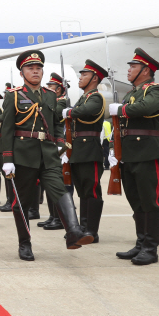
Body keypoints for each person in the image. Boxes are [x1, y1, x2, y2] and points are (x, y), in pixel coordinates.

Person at [1, 50, 93, 262]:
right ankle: (24, 243)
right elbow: (6, 130)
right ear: (22, 72)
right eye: (30, 68)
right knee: (22, 201)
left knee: (59, 190)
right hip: (23, 155)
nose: (35, 71)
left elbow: (57, 125)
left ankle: (73, 232)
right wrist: (7, 159)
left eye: (38, 68)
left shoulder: (50, 95)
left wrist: (61, 145)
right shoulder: (13, 95)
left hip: (48, 154)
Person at [111, 48, 159, 265]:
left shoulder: (156, 90)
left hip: (148, 152)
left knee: (151, 202)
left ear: (146, 70)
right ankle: (141, 242)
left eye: (133, 66)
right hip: (129, 154)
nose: (128, 70)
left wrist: (123, 109)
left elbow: (151, 108)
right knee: (136, 202)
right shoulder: (132, 93)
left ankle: (151, 249)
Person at [62, 60, 108, 243]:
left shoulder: (95, 97)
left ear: (94, 78)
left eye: (84, 75)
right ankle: (83, 227)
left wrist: (70, 111)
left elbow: (84, 111)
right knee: (82, 191)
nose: (80, 78)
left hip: (90, 150)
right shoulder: (84, 97)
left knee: (92, 190)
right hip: (78, 150)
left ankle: (92, 231)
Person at [37, 73, 70, 227]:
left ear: (58, 89)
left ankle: (58, 218)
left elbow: (54, 116)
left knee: (56, 182)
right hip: (50, 142)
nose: (48, 88)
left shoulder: (62, 102)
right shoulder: (52, 100)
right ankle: (52, 216)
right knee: (48, 184)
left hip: (59, 142)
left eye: (52, 86)